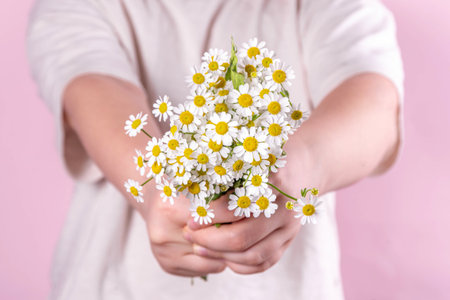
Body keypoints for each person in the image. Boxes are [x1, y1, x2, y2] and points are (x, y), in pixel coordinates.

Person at [26, 0, 404, 299]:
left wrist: (295, 169)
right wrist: (155, 190)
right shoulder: (77, 5)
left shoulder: (328, 7)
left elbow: (372, 102)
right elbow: (97, 90)